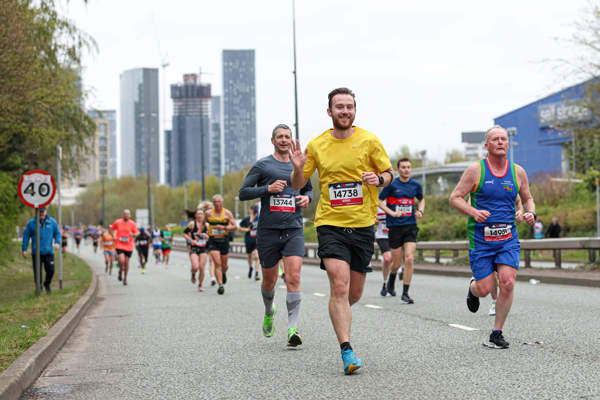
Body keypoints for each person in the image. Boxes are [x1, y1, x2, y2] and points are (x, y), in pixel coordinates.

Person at [290, 88, 393, 374]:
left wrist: (378, 177)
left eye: (349, 107)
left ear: (354, 111)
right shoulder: (318, 144)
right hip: (330, 223)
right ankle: (347, 351)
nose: (345, 111)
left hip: (362, 225)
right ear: (329, 111)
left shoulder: (369, 140)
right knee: (339, 284)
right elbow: (298, 183)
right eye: (339, 107)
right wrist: (298, 168)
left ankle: (339, 309)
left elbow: (389, 174)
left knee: (353, 293)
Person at [449, 125, 536, 349]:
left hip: (507, 238)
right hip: (481, 240)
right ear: (486, 146)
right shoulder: (476, 170)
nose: (500, 142)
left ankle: (496, 332)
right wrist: (473, 212)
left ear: (508, 144)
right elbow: (455, 198)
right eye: (495, 139)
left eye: (503, 139)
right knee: (485, 288)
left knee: (507, 282)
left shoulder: (518, 172)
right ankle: (473, 288)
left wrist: (530, 213)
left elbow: (528, 198)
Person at [239, 123, 313, 347]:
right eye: (279, 136)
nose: (283, 140)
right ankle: (269, 310)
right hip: (268, 231)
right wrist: (267, 189)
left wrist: (307, 198)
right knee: (269, 282)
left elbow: (307, 188)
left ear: (291, 141)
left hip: (293, 229)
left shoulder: (299, 164)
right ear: (273, 140)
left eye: (287, 136)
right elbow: (243, 193)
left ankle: (293, 328)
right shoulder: (263, 165)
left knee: (294, 277)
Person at [378, 158, 424, 304]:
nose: (406, 169)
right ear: (398, 170)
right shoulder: (392, 185)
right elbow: (378, 201)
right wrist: (391, 213)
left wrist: (421, 211)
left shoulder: (415, 185)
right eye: (403, 167)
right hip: (395, 227)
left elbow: (421, 199)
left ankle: (405, 293)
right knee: (396, 263)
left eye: (408, 167)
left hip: (410, 226)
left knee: (409, 258)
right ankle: (391, 280)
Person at [21, 207, 61, 293]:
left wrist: (57, 243)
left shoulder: (52, 222)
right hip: (37, 253)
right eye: (40, 212)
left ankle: (47, 284)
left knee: (51, 270)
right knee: (37, 273)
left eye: (43, 212)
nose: (42, 213)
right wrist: (24, 249)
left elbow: (57, 233)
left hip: (49, 252)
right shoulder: (31, 223)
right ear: (37, 212)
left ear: (46, 211)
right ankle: (38, 288)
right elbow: (26, 236)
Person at [206, 195, 237, 295]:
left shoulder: (227, 213)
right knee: (217, 263)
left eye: (219, 201)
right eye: (215, 202)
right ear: (213, 203)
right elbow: (202, 224)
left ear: (222, 203)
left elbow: (234, 226)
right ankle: (220, 285)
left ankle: (224, 273)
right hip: (213, 241)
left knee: (224, 265)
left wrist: (224, 228)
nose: (217, 204)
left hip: (224, 241)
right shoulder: (208, 213)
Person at [110, 209, 140, 286]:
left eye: (128, 214)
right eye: (125, 214)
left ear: (130, 215)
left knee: (126, 263)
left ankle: (125, 278)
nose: (126, 215)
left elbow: (137, 232)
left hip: (129, 245)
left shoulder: (132, 223)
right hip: (119, 244)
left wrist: (134, 235)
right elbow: (112, 228)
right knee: (121, 260)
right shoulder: (118, 222)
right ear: (123, 215)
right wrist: (113, 235)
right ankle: (120, 270)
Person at [183, 209, 209, 291]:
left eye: (201, 214)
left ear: (204, 215)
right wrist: (191, 240)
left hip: (203, 248)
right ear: (195, 215)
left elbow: (210, 235)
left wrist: (208, 236)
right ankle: (193, 274)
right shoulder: (192, 224)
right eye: (198, 214)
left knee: (202, 267)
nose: (200, 215)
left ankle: (200, 285)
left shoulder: (207, 225)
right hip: (194, 247)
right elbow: (184, 233)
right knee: (195, 266)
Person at [239, 204, 261, 281]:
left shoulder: (259, 218)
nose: (253, 211)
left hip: (257, 240)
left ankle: (257, 272)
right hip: (248, 240)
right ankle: (250, 267)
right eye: (252, 209)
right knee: (249, 256)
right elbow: (240, 227)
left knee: (257, 256)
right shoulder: (246, 219)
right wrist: (246, 230)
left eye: (255, 210)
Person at [375, 206, 393, 296]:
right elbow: (369, 215)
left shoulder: (394, 199)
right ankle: (385, 283)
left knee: (394, 260)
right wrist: (374, 219)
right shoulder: (377, 202)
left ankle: (390, 284)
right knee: (387, 258)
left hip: (394, 235)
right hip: (381, 236)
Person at [199, 200, 217, 286]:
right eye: (209, 209)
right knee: (211, 260)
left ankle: (219, 274)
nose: (211, 210)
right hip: (207, 241)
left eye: (212, 208)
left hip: (217, 240)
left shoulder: (217, 217)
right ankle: (212, 277)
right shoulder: (203, 220)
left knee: (218, 261)